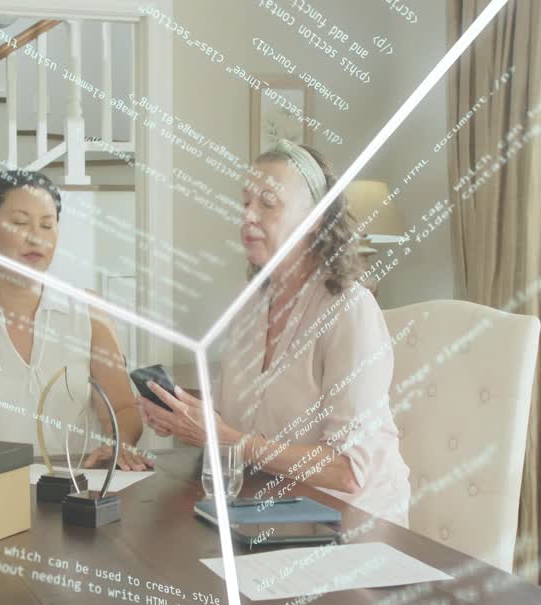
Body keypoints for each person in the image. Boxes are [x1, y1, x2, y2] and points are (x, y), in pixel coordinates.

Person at [137, 140, 410, 525]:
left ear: (315, 218)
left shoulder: (350, 310)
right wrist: (183, 418)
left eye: (267, 202)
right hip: (270, 511)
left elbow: (348, 471)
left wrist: (226, 438)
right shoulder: (249, 304)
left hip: (354, 524)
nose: (248, 215)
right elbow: (231, 421)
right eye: (245, 201)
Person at [0, 169, 150, 470]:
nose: (35, 237)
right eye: (20, 223)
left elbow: (122, 407)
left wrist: (120, 445)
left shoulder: (88, 312)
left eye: (47, 225)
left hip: (76, 490)